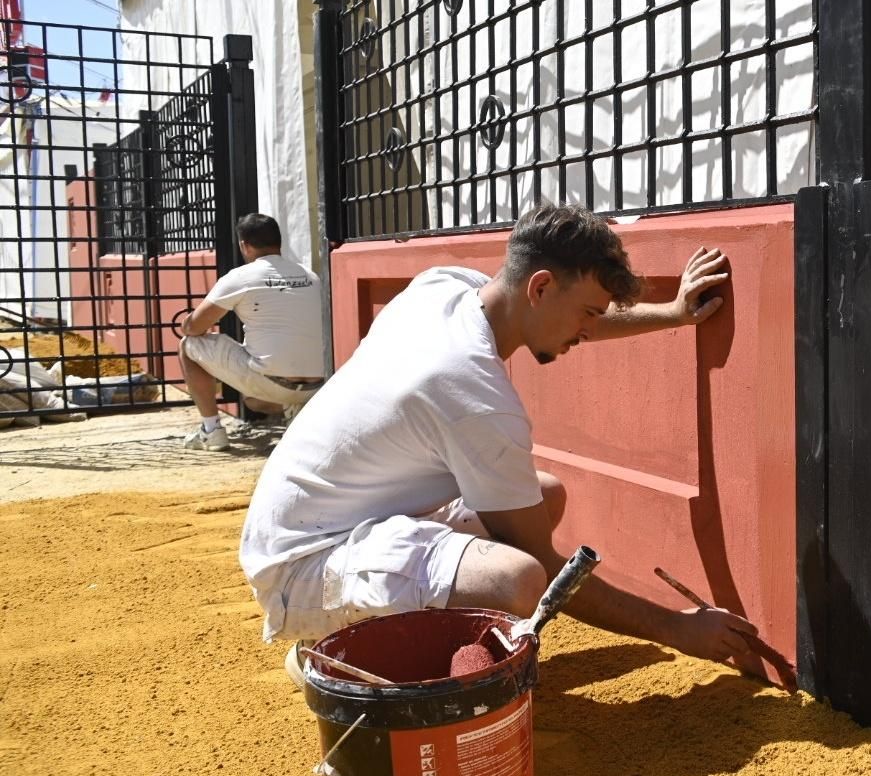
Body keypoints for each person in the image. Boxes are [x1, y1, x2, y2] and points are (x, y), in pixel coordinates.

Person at [238, 203, 757, 682]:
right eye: (588, 312)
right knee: (518, 579)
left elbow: (569, 323)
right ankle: (332, 651)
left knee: (544, 493)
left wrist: (673, 313)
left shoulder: (448, 287)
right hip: (302, 563)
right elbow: (547, 568)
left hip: (322, 522)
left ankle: (356, 625)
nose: (586, 330)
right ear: (541, 287)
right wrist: (677, 628)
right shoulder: (471, 393)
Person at [178, 213, 328, 451]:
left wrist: (186, 323)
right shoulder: (310, 275)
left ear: (244, 245)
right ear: (279, 243)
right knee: (254, 398)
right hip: (319, 387)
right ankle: (295, 410)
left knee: (188, 346)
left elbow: (194, 328)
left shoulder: (241, 277)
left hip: (271, 383)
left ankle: (211, 431)